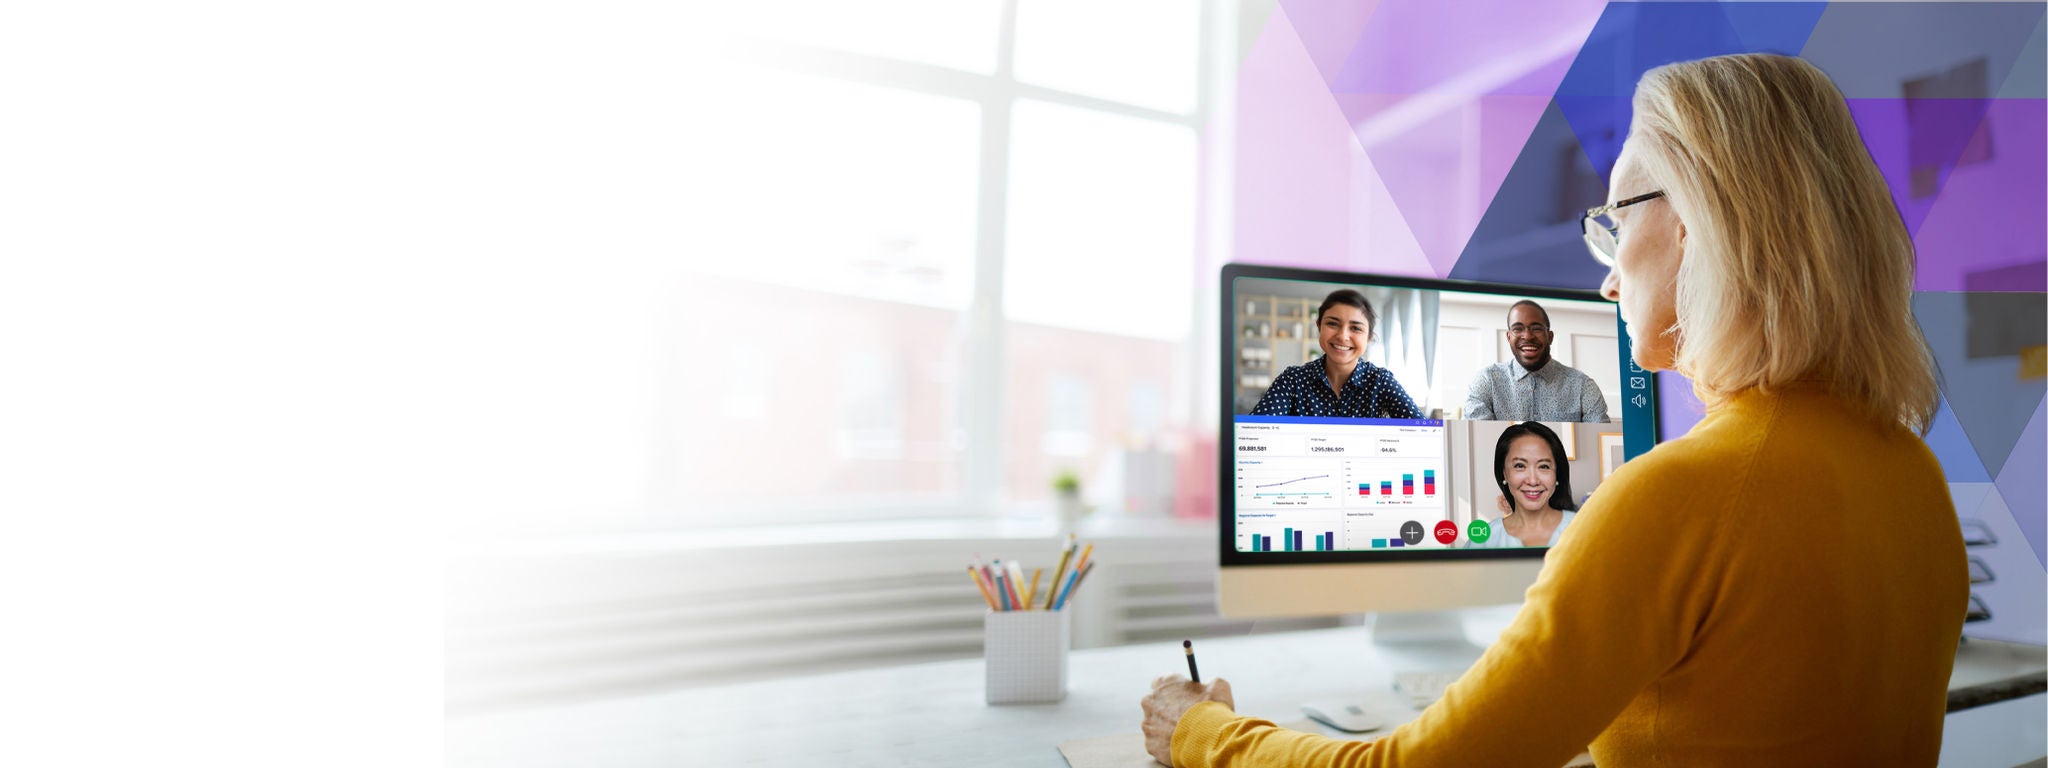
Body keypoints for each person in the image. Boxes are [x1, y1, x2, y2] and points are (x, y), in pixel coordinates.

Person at [1143, 53, 1965, 766]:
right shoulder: (1913, 474)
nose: (1607, 280)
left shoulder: (1676, 496)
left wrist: (1205, 731)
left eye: (1615, 221)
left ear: (1695, 222)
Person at [1249, 289, 1423, 419]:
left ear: (1369, 337)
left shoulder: (1381, 381)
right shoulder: (1293, 380)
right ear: (1319, 327)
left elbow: (1422, 434)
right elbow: (1256, 434)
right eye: (1332, 324)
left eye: (1355, 328)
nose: (1342, 336)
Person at [1463, 300, 1610, 422]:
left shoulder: (1582, 387)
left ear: (1550, 337)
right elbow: (1478, 441)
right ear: (1508, 337)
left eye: (1537, 329)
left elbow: (1600, 442)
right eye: (1518, 329)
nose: (1527, 336)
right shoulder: (1487, 381)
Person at [1469, 422, 1577, 549]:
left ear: (1557, 473)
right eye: (1520, 466)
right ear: (1504, 473)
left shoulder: (1584, 527)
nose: (1532, 481)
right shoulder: (1484, 538)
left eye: (1543, 466)